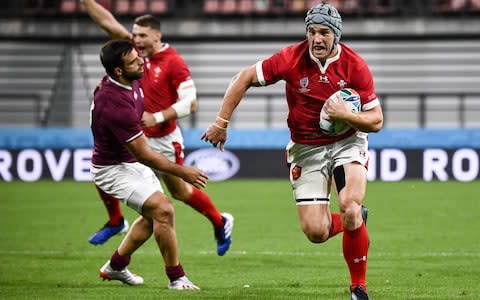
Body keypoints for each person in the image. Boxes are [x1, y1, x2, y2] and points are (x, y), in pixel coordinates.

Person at [201, 3, 382, 300]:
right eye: (312, 32)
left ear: (336, 35)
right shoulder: (290, 58)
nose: (317, 39)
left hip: (347, 142)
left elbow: (376, 121)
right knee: (316, 232)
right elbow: (244, 77)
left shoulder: (355, 66)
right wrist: (221, 122)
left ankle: (358, 287)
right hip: (306, 148)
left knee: (349, 204)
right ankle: (354, 220)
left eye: (324, 32)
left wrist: (346, 116)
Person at [81, 0, 234, 256]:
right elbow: (108, 22)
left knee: (180, 191)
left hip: (163, 138)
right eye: (134, 34)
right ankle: (116, 221)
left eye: (142, 35)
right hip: (136, 136)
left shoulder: (173, 61)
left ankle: (220, 222)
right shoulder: (133, 53)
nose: (136, 40)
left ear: (157, 35)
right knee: (103, 164)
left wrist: (159, 116)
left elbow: (191, 102)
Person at [91, 39, 206, 289]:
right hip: (112, 169)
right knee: (163, 209)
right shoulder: (114, 104)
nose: (142, 62)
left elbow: (116, 34)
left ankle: (116, 266)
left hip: (129, 162)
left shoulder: (127, 79)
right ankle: (176, 278)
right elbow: (145, 155)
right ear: (119, 71)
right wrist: (183, 171)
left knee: (153, 215)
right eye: (134, 61)